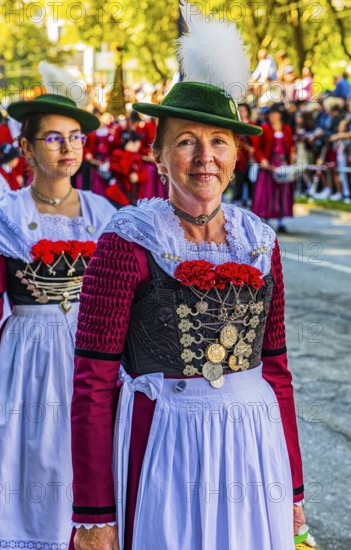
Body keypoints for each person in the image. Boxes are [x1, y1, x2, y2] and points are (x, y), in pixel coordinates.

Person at [70, 8, 305, 550]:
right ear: (158, 155)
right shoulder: (126, 241)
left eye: (219, 142)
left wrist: (292, 487)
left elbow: (277, 369)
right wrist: (94, 512)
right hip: (165, 445)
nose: (205, 158)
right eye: (185, 142)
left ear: (237, 154)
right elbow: (92, 382)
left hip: (253, 447)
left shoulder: (260, 243)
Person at [0, 93, 116, 549]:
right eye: (54, 138)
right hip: (27, 359)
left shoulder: (105, 214)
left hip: (90, 356)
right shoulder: (5, 217)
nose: (69, 148)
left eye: (76, 137)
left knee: (86, 458)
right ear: (26, 148)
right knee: (31, 460)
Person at [252, 103, 296, 233]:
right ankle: (266, 221)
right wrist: (262, 160)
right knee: (268, 193)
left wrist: (293, 155)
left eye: (275, 114)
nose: (272, 116)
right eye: (270, 114)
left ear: (280, 115)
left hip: (283, 165)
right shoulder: (264, 129)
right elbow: (257, 149)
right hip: (269, 166)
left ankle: (281, 221)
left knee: (282, 193)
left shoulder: (287, 129)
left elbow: (291, 146)